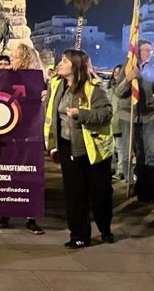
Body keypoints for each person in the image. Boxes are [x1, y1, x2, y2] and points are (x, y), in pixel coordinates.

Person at [45, 49, 114, 248]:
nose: (59, 63)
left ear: (75, 66)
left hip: (93, 149)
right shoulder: (56, 84)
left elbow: (106, 114)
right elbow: (51, 113)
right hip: (67, 147)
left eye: (64, 61)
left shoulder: (94, 86)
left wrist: (81, 114)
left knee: (99, 193)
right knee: (74, 193)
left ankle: (104, 228)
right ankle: (79, 235)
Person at [0, 44, 45, 234]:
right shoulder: (9, 77)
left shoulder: (36, 80)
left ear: (23, 59)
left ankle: (30, 216)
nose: (11, 61)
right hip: (9, 133)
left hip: (29, 133)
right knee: (8, 173)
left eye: (15, 57)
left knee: (29, 173)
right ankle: (6, 212)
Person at [114, 40, 154, 180]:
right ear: (137, 52)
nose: (149, 53)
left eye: (151, 50)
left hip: (147, 116)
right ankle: (129, 180)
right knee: (128, 151)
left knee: (148, 151)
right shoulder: (127, 67)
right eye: (146, 50)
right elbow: (118, 92)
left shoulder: (151, 69)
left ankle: (148, 182)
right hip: (129, 115)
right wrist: (128, 79)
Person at [108, 64, 125, 181]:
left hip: (119, 123)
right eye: (115, 72)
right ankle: (112, 168)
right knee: (111, 149)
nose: (116, 74)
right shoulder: (108, 88)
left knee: (120, 148)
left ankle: (121, 171)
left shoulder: (123, 90)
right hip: (109, 123)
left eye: (119, 72)